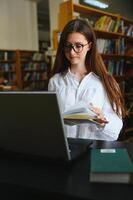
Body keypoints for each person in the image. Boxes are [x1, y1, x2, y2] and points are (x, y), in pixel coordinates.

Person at [48, 18, 127, 141]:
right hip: (65, 151)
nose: (72, 52)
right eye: (68, 46)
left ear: (89, 46)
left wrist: (102, 120)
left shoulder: (106, 82)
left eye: (78, 46)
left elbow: (116, 131)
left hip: (94, 151)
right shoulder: (55, 81)